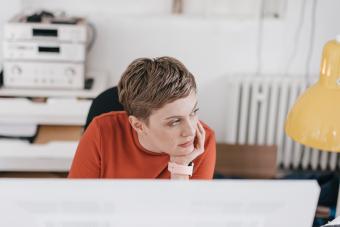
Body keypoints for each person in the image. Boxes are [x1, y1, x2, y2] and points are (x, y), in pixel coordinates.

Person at [68, 56, 216, 179]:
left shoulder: (203, 140)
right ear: (138, 125)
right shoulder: (101, 131)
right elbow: (77, 202)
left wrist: (180, 167)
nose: (190, 131)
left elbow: (184, 214)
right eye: (175, 121)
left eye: (193, 112)